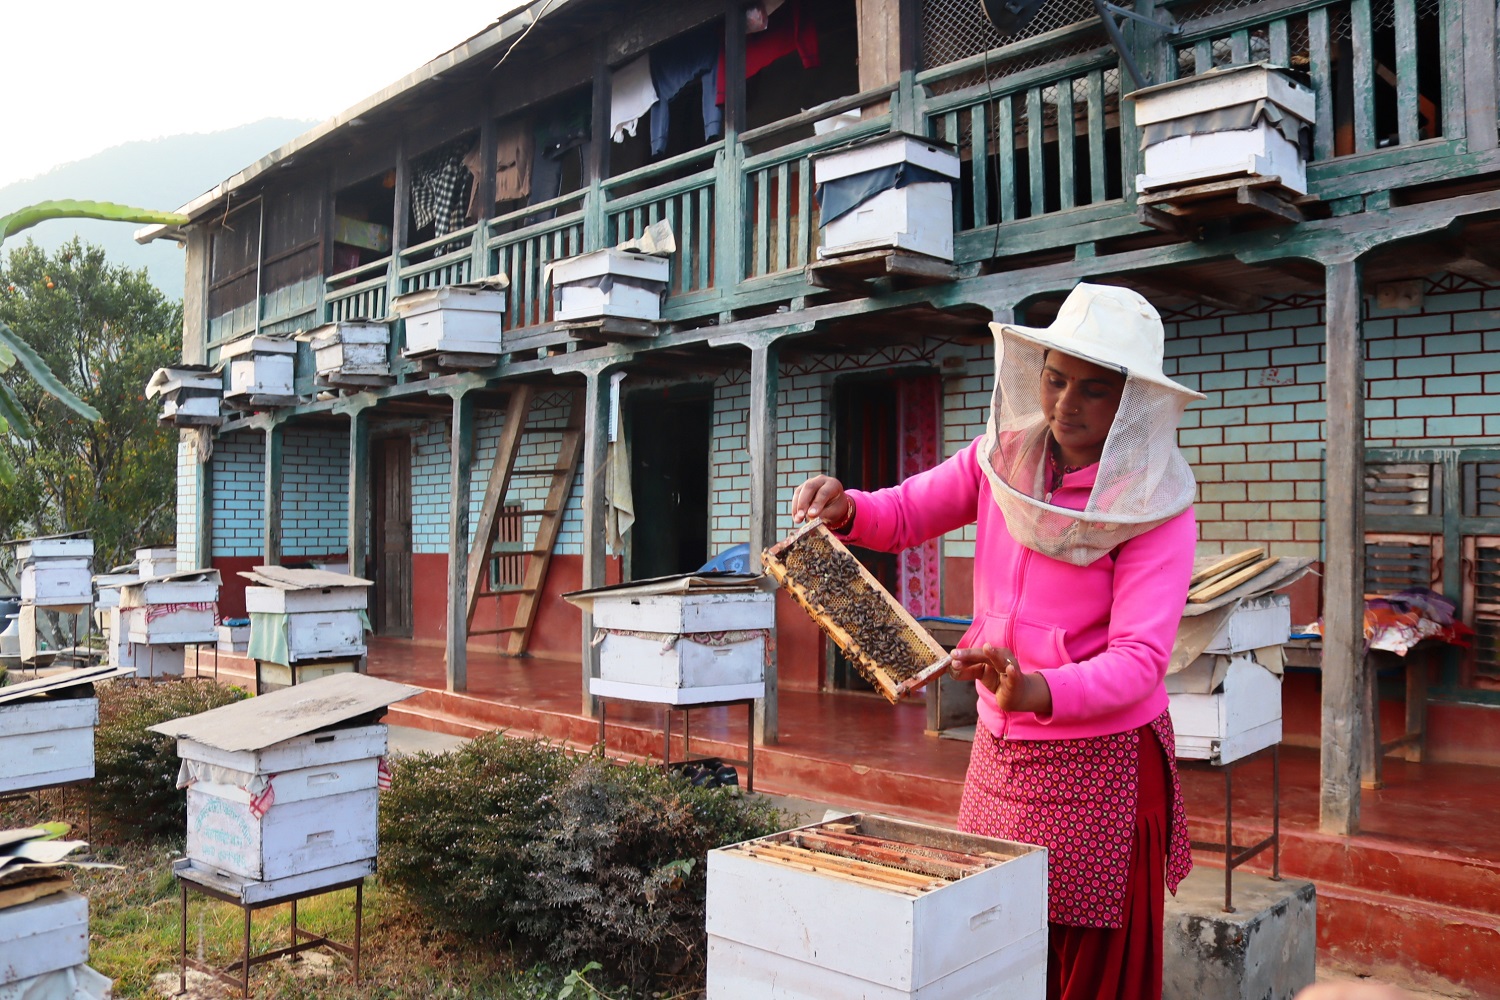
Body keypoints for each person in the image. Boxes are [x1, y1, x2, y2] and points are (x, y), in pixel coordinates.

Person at [790, 282, 1202, 1000]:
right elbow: (902, 514)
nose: (1065, 404)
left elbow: (1140, 662)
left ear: (1134, 402)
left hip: (1101, 761)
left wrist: (1041, 688)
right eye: (1054, 379)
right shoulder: (999, 458)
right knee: (996, 939)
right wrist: (846, 505)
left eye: (1094, 391)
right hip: (1002, 753)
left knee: (1089, 971)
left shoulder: (1155, 509)